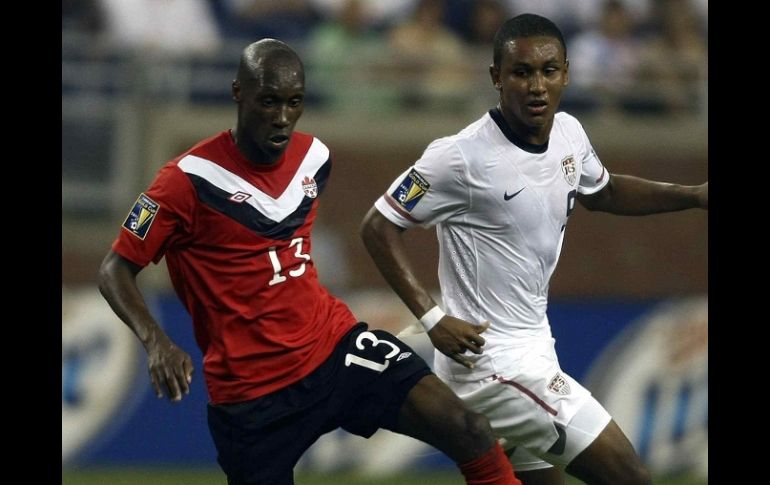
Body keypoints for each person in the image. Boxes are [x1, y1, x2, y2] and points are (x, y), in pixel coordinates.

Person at [97, 39, 522, 485]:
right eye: (269, 101)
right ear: (238, 92)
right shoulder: (185, 181)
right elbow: (114, 269)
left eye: (293, 102)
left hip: (335, 349)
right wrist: (156, 342)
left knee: (469, 429)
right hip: (251, 393)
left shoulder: (314, 159)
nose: (282, 117)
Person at [360, 14, 707, 485]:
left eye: (548, 71)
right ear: (496, 77)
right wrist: (433, 319)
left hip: (534, 347)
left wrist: (693, 195)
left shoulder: (569, 134)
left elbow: (603, 193)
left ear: (566, 72)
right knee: (628, 475)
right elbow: (378, 226)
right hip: (492, 364)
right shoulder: (458, 156)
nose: (536, 85)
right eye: (521, 72)